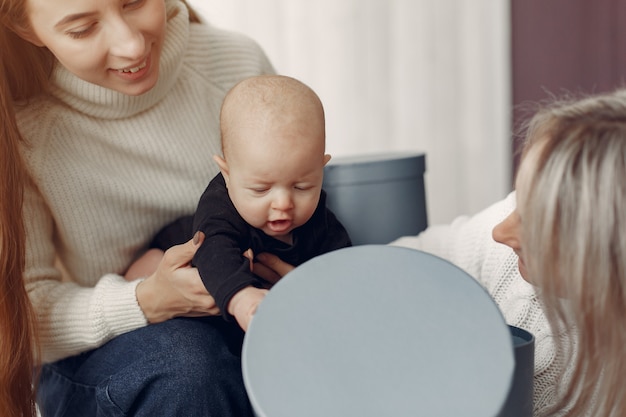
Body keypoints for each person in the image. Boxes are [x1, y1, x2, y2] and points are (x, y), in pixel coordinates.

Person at [254, 89, 626, 417]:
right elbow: (413, 260)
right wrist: (328, 283)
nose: (501, 231)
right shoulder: (498, 253)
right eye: (515, 203)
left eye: (531, 221)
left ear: (602, 247)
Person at [1, 0, 275, 414]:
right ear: (25, 29)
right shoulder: (20, 128)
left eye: (134, 2)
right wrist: (146, 300)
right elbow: (24, 316)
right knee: (189, 366)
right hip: (99, 354)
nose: (131, 46)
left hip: (243, 322)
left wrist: (298, 272)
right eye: (82, 29)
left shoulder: (236, 62)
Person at [145, 75, 352, 332]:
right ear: (228, 174)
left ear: (321, 170)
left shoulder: (320, 220)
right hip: (175, 247)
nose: (283, 203)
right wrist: (242, 298)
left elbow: (343, 266)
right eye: (261, 189)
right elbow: (214, 252)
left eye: (301, 186)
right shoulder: (220, 208)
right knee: (149, 266)